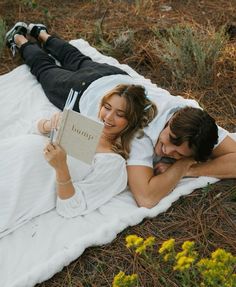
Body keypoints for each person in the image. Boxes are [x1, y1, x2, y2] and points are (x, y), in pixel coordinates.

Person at [5, 22, 236, 211]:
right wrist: (186, 167)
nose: (166, 152)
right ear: (170, 121)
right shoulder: (140, 135)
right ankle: (21, 38)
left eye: (179, 154)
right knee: (46, 70)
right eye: (168, 141)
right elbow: (146, 198)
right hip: (82, 91)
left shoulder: (195, 122)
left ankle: (39, 34)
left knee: (73, 58)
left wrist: (190, 165)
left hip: (116, 79)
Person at [0, 81, 157, 237]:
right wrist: (49, 124)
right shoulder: (84, 126)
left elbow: (71, 207)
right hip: (8, 153)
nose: (108, 117)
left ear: (131, 122)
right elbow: (31, 129)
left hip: (18, 184)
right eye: (107, 108)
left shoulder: (113, 163)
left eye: (120, 114)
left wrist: (61, 167)